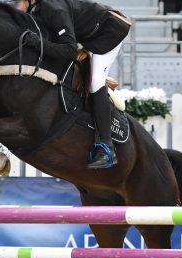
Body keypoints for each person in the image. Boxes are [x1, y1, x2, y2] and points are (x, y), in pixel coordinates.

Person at [16, 0, 131, 169]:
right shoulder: (36, 11)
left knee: (95, 82)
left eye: (16, 1)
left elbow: (69, 51)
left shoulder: (53, 8)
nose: (14, 6)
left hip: (109, 31)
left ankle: (107, 148)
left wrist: (37, 43)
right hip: (88, 34)